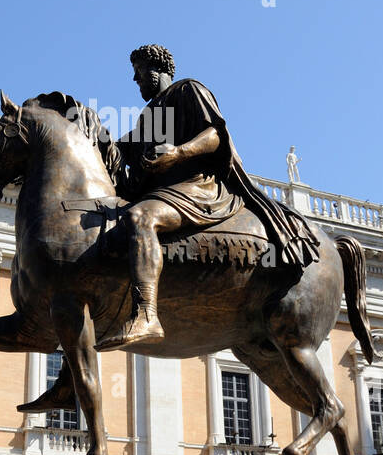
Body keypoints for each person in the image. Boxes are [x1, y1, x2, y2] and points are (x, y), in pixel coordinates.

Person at [96, 44, 320, 350]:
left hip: (198, 186)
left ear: (157, 69)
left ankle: (146, 314)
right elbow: (124, 149)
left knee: (140, 218)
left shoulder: (189, 90)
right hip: (167, 192)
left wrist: (178, 152)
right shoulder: (149, 115)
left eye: (138, 72)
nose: (135, 80)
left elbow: (215, 135)